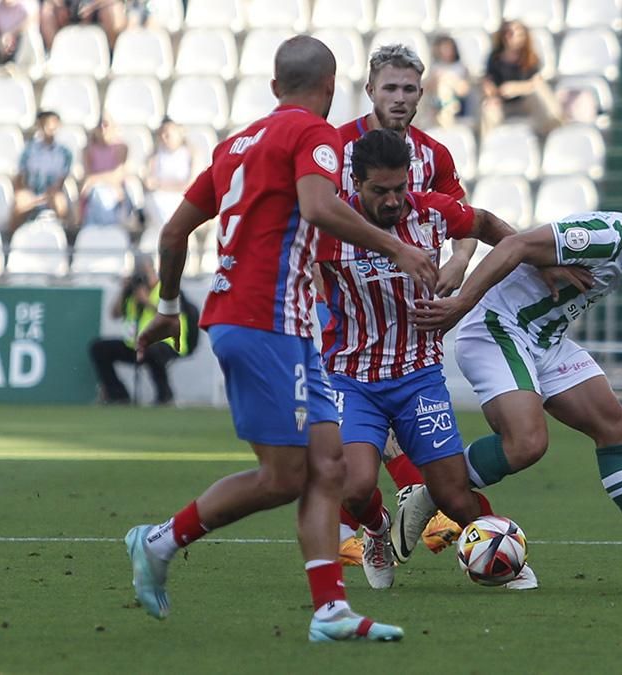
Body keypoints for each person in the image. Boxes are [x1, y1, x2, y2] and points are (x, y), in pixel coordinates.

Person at [126, 35, 435, 643]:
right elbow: (319, 208)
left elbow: (172, 233)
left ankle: (330, 611)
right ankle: (159, 540)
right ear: (330, 90)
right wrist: (398, 245)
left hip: (278, 326)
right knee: (285, 475)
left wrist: (166, 307)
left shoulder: (234, 147)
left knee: (328, 468)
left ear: (274, 88)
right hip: (265, 320)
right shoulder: (313, 135)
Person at [409, 183, 622, 585]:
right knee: (526, 444)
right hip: (498, 329)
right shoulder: (604, 237)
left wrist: (545, 262)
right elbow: (513, 247)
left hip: (543, 340)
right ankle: (432, 491)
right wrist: (459, 304)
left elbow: (527, 248)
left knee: (616, 425)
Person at [318, 129, 531, 590]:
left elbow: (489, 225)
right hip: (353, 379)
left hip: (418, 377)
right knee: (355, 487)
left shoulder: (432, 212)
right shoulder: (332, 228)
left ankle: (503, 555)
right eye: (380, 191)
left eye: (399, 188)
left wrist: (539, 263)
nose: (394, 200)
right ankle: (376, 531)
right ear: (355, 184)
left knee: (454, 494)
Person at [333, 43, 478, 562]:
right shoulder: (334, 149)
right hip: (347, 310)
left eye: (409, 89)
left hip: (416, 318)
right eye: (389, 87)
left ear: (421, 93)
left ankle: (422, 500)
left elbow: (466, 221)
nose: (399, 98)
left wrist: (458, 265)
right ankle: (395, 505)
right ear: (370, 89)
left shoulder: (434, 155)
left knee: (401, 417)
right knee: (358, 432)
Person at [89, 258, 188, 405]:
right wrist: (124, 290)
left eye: (144, 273)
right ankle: (118, 395)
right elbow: (115, 314)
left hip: (165, 342)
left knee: (153, 351)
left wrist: (146, 301)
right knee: (99, 348)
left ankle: (164, 396)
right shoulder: (133, 293)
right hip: (135, 343)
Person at [479, 20, 561, 138]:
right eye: (508, 32)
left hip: (525, 102)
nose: (510, 36)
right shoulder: (494, 58)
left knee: (540, 91)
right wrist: (491, 93)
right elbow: (488, 81)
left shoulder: (531, 57)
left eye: (515, 33)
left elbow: (536, 82)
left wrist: (516, 88)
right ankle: (488, 144)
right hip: (503, 104)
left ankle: (553, 129)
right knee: (488, 108)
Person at [12, 110, 74, 232]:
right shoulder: (28, 150)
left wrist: (44, 197)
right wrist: (28, 195)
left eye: (52, 123)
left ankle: (63, 238)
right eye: (44, 123)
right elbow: (20, 178)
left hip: (52, 194)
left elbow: (60, 183)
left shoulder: (65, 153)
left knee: (60, 203)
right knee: (19, 204)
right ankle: (13, 240)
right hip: (31, 193)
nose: (48, 127)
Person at [143, 118, 197, 231]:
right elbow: (148, 182)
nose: (164, 136)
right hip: (159, 200)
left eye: (168, 133)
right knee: (153, 201)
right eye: (162, 133)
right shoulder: (155, 154)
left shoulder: (191, 153)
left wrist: (161, 185)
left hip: (181, 200)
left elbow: (191, 185)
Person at [80, 114, 131, 228]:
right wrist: (94, 181)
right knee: (98, 194)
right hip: (95, 192)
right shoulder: (88, 150)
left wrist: (94, 179)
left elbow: (118, 175)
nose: (103, 128)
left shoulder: (121, 147)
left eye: (106, 125)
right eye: (100, 125)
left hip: (117, 191)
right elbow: (87, 178)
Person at [422, 35, 470, 129]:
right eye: (443, 48)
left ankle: (444, 115)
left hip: (456, 103)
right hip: (434, 100)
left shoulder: (461, 67)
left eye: (448, 48)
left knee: (444, 86)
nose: (445, 51)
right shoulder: (434, 67)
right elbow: (427, 88)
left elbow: (463, 91)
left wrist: (448, 79)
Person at [40, 0, 126, 52]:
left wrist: (92, 7)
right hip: (70, 16)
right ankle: (54, 55)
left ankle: (114, 55)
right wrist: (59, 6)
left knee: (111, 10)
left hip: (99, 13)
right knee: (47, 11)